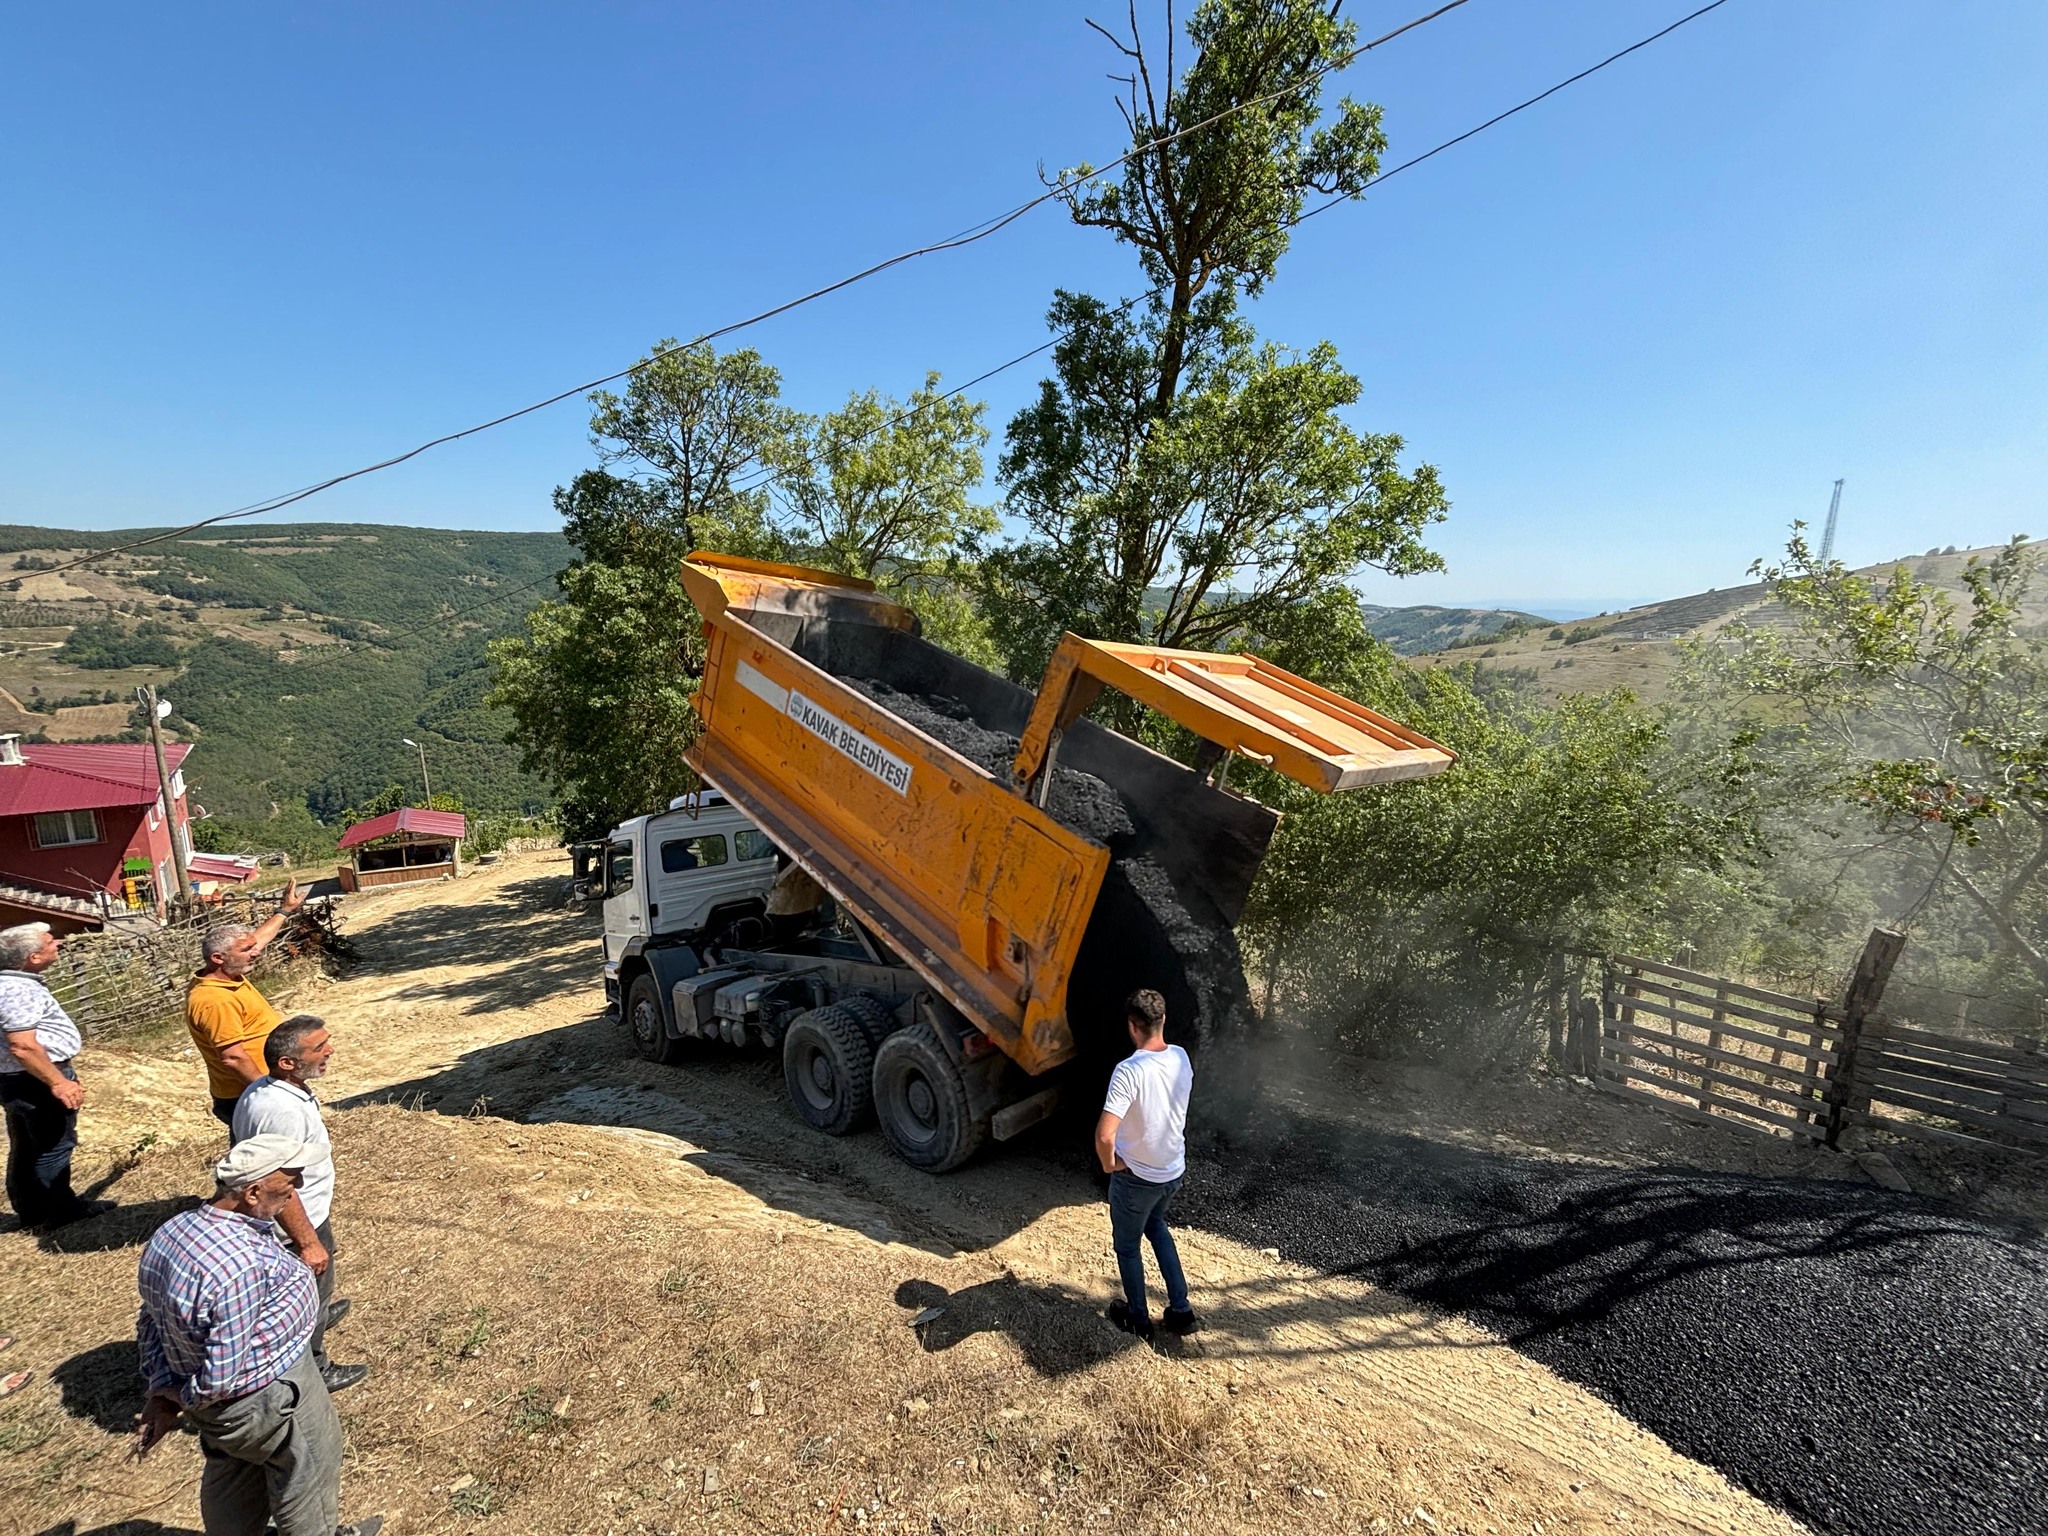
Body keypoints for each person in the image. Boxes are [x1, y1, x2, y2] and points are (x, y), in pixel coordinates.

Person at [133, 1133, 383, 1536]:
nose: (295, 1191)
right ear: (252, 1192)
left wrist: (166, 1387)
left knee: (233, 1469)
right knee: (310, 1468)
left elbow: (151, 1320)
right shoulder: (239, 1263)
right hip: (267, 1395)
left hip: (221, 1405)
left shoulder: (172, 1232)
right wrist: (184, 1397)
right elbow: (222, 1372)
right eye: (288, 1183)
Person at [231, 1015, 365, 1394]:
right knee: (307, 1296)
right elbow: (276, 1185)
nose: (330, 1051)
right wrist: (307, 1241)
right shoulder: (281, 1112)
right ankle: (315, 1368)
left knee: (316, 1291)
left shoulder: (269, 1089)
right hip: (295, 1224)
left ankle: (320, 1314)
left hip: (306, 1212)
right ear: (287, 1063)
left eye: (327, 1042)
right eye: (319, 1048)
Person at [1094, 988, 1199, 1340]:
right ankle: (1181, 1311)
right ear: (1163, 1020)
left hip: (1137, 1178)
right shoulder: (1181, 1057)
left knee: (1127, 1247)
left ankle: (1138, 1319)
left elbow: (1105, 1136)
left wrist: (1111, 1166)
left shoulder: (1128, 1071)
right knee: (1156, 1225)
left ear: (1131, 1026)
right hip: (1172, 1171)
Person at [0, 922, 110, 1229]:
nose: (57, 943)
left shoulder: (11, 984)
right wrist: (58, 1081)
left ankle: (31, 1210)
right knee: (54, 1145)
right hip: (34, 1078)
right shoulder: (17, 991)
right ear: (33, 957)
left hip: (17, 1078)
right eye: (50, 942)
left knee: (26, 1144)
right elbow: (22, 1045)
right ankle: (59, 1210)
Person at [186, 883, 306, 1127]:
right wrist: (273, 1091)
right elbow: (233, 1057)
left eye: (253, 947)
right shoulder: (214, 1000)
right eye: (247, 950)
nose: (256, 952)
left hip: (259, 1086)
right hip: (247, 1092)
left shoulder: (227, 974)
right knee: (266, 1156)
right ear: (218, 958)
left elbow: (258, 939)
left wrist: (284, 911)